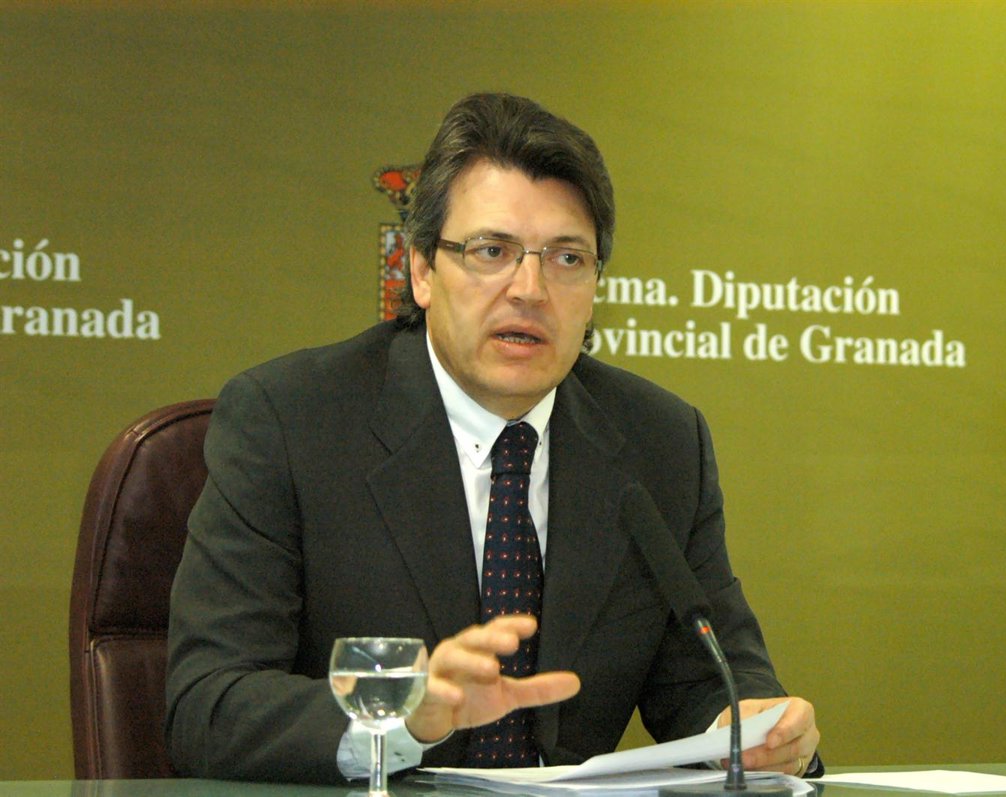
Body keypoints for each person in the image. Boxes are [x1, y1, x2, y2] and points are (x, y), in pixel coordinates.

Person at [165, 92, 820, 784]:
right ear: (423, 270)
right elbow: (207, 706)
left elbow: (707, 678)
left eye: (567, 258)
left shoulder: (660, 442)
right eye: (491, 251)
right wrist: (403, 715)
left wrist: (750, 731)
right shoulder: (291, 421)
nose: (530, 288)